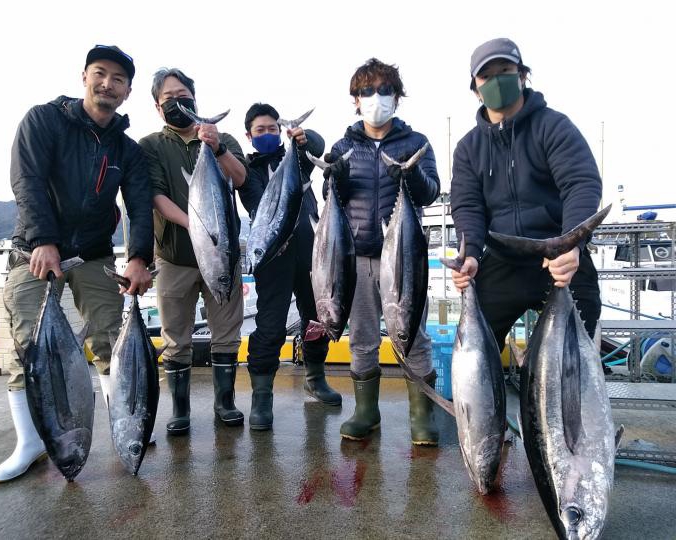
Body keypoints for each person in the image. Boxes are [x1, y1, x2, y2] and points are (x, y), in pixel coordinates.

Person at [0, 45, 154, 483]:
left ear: (127, 91)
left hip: (96, 253)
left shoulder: (127, 149)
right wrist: (43, 239)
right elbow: (26, 180)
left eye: (118, 79)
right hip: (35, 250)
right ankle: (31, 443)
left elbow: (140, 205)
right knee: (28, 349)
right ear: (84, 76)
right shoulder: (44, 120)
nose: (108, 84)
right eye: (100, 74)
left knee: (107, 339)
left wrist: (139, 257)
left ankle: (126, 426)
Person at [449, 38, 602, 350]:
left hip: (559, 258)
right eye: (486, 76)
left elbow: (581, 183)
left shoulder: (554, 126)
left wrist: (571, 246)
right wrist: (471, 254)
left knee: (577, 351)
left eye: (505, 70)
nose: (496, 80)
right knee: (474, 348)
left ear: (522, 76)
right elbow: (468, 206)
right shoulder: (468, 148)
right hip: (504, 258)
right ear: (476, 88)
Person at [324, 58, 440, 444]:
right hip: (354, 258)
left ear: (397, 97)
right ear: (355, 99)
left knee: (413, 335)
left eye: (385, 90)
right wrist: (334, 179)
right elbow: (333, 202)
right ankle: (365, 411)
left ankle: (422, 416)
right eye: (368, 91)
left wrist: (411, 175)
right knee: (361, 336)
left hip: (404, 257)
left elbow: (431, 192)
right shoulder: (343, 145)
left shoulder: (416, 142)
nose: (377, 98)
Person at [139, 68, 247, 434]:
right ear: (157, 107)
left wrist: (215, 147)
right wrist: (196, 226)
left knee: (227, 331)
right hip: (174, 259)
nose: (177, 102)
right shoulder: (151, 145)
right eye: (168, 98)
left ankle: (225, 402)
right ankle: (180, 410)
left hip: (223, 255)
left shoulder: (223, 137)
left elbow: (240, 178)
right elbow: (154, 196)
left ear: (195, 97)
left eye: (183, 94)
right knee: (175, 335)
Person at [237, 103, 342, 431]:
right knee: (269, 324)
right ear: (249, 135)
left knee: (315, 319)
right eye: (260, 130)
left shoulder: (296, 157)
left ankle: (315, 377)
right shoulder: (248, 171)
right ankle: (262, 395)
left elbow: (319, 144)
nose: (267, 134)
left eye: (272, 129)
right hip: (272, 257)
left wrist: (302, 136)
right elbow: (256, 202)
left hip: (310, 253)